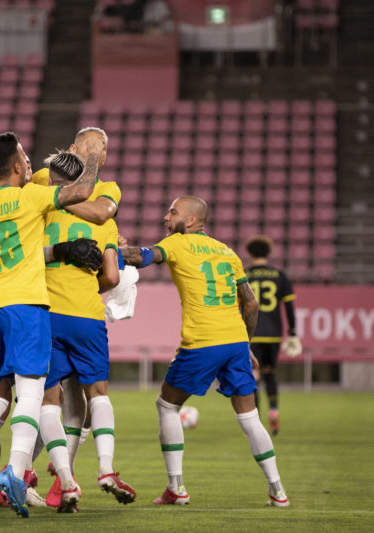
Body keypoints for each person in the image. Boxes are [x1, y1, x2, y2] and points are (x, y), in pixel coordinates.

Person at [0, 131, 104, 518]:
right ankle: (15, 469)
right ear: (16, 167)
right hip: (26, 306)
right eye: (25, 159)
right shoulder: (30, 196)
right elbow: (80, 192)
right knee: (30, 391)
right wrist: (92, 157)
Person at [121, 195, 289, 507]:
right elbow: (250, 303)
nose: (166, 218)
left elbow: (140, 257)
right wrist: (245, 343)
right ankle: (278, 490)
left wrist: (108, 249)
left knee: (166, 405)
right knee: (250, 417)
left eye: (173, 212)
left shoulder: (177, 244)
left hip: (202, 342)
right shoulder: (228, 252)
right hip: (235, 342)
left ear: (194, 220)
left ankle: (176, 488)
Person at [37, 151, 135, 512]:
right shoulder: (103, 223)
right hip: (87, 316)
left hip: (44, 312)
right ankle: (106, 469)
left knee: (50, 401)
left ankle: (65, 481)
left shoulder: (40, 210)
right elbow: (111, 276)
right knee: (98, 394)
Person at [245, 235, 300, 436]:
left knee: (254, 375)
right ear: (268, 253)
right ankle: (274, 410)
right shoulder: (279, 275)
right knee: (270, 372)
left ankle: (255, 421)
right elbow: (289, 306)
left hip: (252, 333)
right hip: (274, 334)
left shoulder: (245, 275)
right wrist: (292, 332)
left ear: (250, 253)